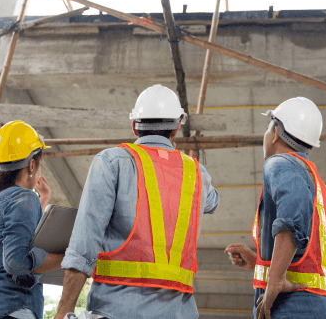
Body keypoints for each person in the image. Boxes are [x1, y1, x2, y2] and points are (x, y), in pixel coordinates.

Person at [53, 84, 219, 319]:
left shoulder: (112, 162)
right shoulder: (196, 173)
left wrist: (64, 310)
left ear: (134, 125)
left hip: (116, 310)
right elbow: (213, 201)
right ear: (177, 127)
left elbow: (83, 246)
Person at [225, 97, 326, 319]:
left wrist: (275, 282)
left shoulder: (280, 163)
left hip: (295, 307)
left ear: (276, 132)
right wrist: (259, 263)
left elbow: (292, 220)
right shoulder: (324, 194)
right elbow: (311, 259)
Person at [0, 120, 65, 319]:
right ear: (32, 164)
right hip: (11, 309)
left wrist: (42, 200)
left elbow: (15, 231)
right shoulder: (24, 197)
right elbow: (16, 262)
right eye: (39, 164)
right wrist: (70, 258)